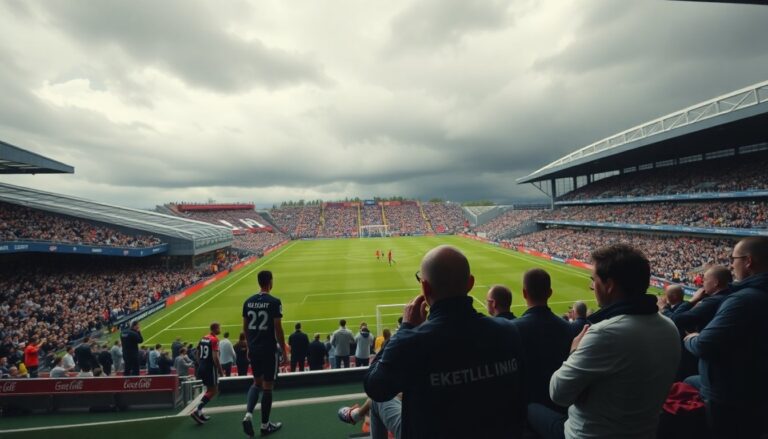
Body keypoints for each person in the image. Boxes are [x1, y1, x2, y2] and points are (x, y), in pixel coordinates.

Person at [363, 245, 526, 438]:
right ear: (470, 283)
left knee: (378, 402)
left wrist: (405, 328)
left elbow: (375, 388)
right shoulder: (509, 331)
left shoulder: (412, 342)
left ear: (425, 288)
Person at [546, 244, 680, 439]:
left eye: (594, 280)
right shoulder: (670, 327)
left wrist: (574, 350)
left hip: (586, 434)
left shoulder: (605, 333)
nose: (592, 287)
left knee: (532, 409)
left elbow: (558, 394)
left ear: (609, 285)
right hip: (645, 432)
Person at [684, 237, 768, 438]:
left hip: (729, 394)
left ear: (748, 261)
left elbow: (704, 345)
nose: (731, 265)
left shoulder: (743, 299)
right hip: (754, 387)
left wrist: (691, 338)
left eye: (734, 259)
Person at [511, 268, 572, 434]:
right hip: (560, 409)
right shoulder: (568, 329)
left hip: (525, 412)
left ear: (524, 293)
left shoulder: (513, 329)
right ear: (550, 293)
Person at [241, 270, 286, 436]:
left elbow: (245, 328)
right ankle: (265, 425)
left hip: (254, 349)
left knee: (256, 383)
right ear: (270, 282)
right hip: (268, 350)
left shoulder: (248, 302)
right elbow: (278, 329)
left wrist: (249, 347)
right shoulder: (274, 302)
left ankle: (248, 415)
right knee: (268, 387)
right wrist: (284, 351)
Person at [191, 322, 224, 425]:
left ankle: (200, 412)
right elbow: (215, 357)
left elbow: (197, 352)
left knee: (209, 390)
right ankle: (197, 410)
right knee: (214, 390)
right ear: (215, 329)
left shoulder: (204, 338)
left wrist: (200, 363)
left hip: (202, 367)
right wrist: (220, 370)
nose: (220, 329)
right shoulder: (214, 340)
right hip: (210, 368)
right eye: (219, 328)